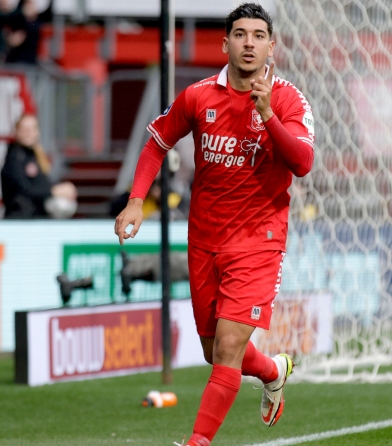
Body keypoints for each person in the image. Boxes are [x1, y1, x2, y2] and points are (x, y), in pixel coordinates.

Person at [113, 4, 315, 444]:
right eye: (240, 34)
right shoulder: (198, 96)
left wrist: (267, 115)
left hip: (259, 240)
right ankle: (272, 370)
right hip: (205, 240)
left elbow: (302, 163)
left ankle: (197, 442)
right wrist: (136, 201)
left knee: (227, 347)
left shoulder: (287, 99)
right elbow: (156, 143)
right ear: (225, 44)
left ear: (271, 47)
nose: (249, 43)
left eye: (258, 36)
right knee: (214, 351)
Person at [0, 114, 77, 219]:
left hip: (38, 217)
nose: (29, 133)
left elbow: (42, 183)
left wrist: (62, 189)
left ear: (37, 132)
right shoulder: (14, 158)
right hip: (20, 218)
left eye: (32, 129)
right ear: (17, 132)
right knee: (61, 205)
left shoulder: (35, 155)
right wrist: (54, 191)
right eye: (25, 129)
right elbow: (24, 190)